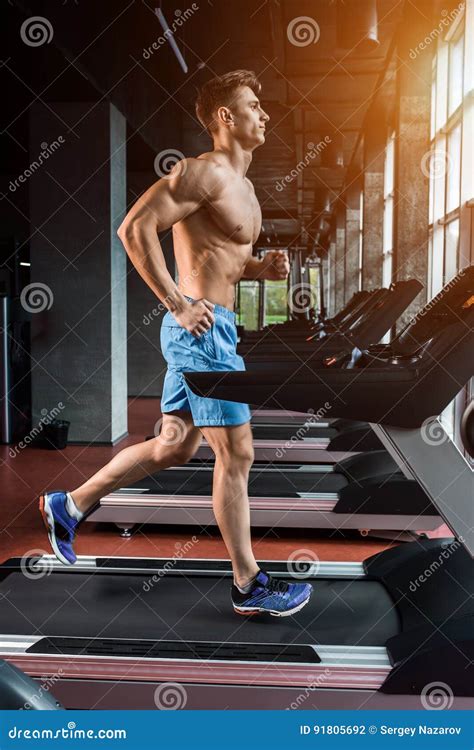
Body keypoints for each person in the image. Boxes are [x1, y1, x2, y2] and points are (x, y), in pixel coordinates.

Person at [39, 70, 313, 618]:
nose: (265, 115)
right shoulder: (202, 173)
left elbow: (224, 260)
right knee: (237, 452)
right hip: (201, 332)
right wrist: (178, 304)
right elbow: (134, 229)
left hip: (218, 329)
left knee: (175, 446)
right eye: (253, 106)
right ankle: (248, 584)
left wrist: (263, 267)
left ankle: (68, 505)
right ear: (225, 117)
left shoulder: (248, 189)